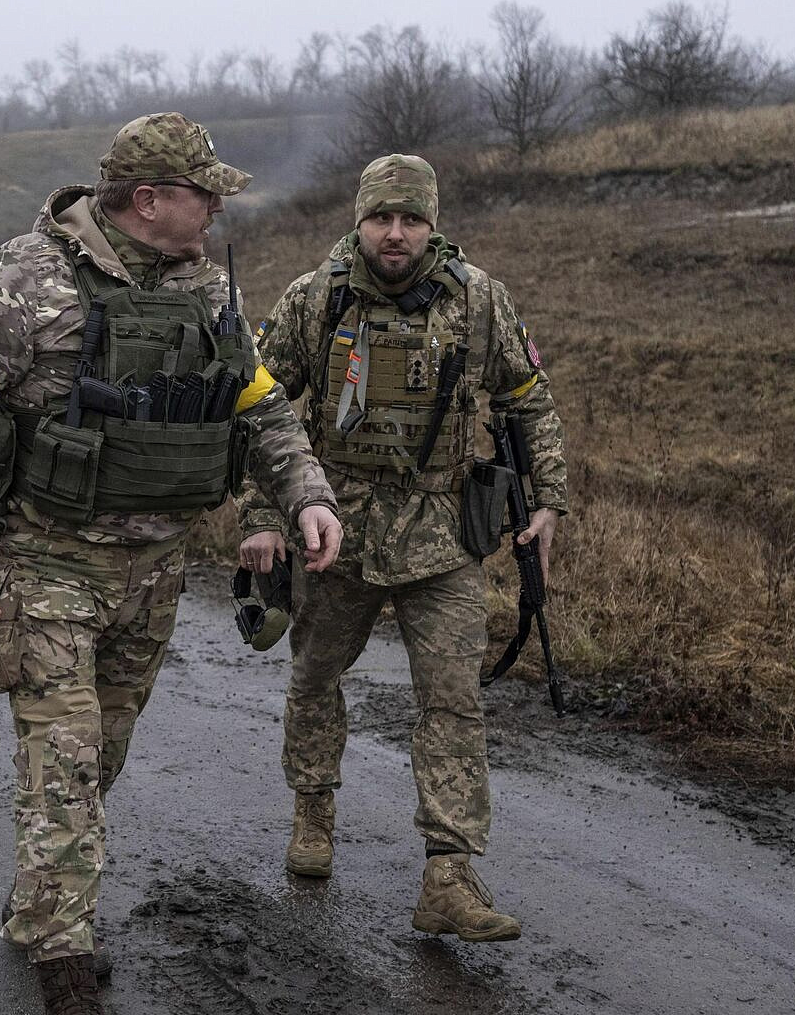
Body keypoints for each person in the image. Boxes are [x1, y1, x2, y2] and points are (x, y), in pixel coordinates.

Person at [0, 113, 343, 1014]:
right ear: (149, 200)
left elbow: (257, 406)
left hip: (158, 571)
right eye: (205, 193)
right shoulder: (26, 277)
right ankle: (64, 961)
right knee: (63, 759)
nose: (218, 208)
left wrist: (308, 493)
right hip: (51, 564)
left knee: (98, 755)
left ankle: (41, 899)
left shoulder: (201, 286)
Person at [238, 154, 568, 943]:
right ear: (359, 220)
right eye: (383, 217)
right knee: (314, 678)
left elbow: (528, 399)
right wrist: (260, 512)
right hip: (333, 530)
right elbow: (257, 403)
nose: (396, 233)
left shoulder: (479, 300)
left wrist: (549, 499)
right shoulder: (315, 298)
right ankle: (313, 814)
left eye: (411, 219)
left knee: (451, 702)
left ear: (432, 223)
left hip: (443, 538)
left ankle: (449, 875)